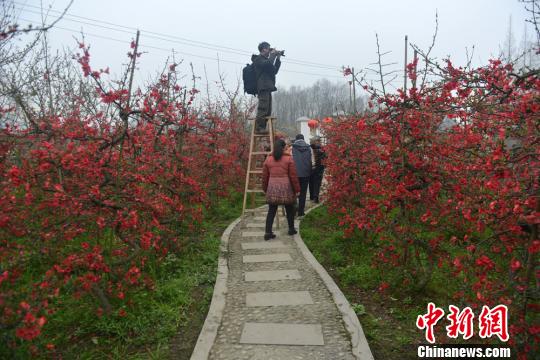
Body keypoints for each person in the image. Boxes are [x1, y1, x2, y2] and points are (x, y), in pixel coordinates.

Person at [262, 139, 300, 240]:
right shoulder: (289, 159)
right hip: (286, 188)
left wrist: (265, 188)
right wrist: (297, 189)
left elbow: (265, 176)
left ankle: (268, 232)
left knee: (271, 210)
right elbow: (293, 176)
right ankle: (291, 229)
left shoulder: (268, 159)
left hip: (272, 187)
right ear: (284, 147)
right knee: (289, 209)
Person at [252, 41, 282, 134]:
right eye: (269, 49)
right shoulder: (258, 59)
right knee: (263, 108)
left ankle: (263, 127)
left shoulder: (266, 60)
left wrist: (278, 58)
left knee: (268, 109)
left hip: (268, 87)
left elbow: (274, 71)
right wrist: (273, 55)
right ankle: (259, 128)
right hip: (263, 87)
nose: (270, 51)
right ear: (263, 49)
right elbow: (267, 64)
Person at [291, 134, 312, 217]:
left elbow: (290, 161)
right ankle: (301, 211)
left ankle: (293, 210)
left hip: (294, 174)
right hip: (305, 174)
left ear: (296, 139)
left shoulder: (292, 148)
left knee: (293, 192)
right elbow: (312, 161)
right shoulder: (309, 148)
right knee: (303, 193)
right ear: (303, 139)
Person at [309, 136, 326, 203]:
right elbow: (325, 158)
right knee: (316, 183)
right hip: (318, 168)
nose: (319, 142)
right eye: (318, 141)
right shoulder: (322, 149)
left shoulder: (310, 148)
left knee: (313, 182)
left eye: (319, 141)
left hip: (315, 167)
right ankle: (314, 196)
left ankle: (313, 196)